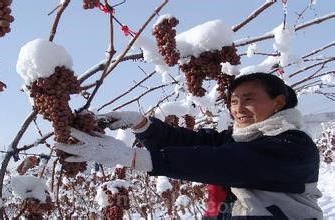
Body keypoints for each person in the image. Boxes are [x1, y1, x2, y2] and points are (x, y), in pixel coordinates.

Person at [55, 72, 323, 219]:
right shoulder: (240, 139)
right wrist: (141, 125)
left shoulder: (294, 146)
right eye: (233, 101)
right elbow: (192, 142)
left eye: (249, 99)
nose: (238, 109)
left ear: (278, 103)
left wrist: (134, 158)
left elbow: (226, 162)